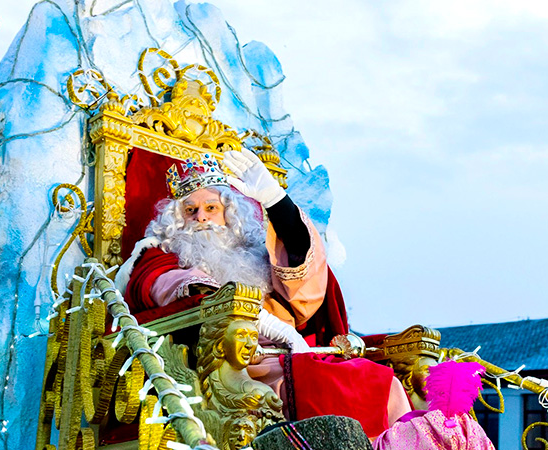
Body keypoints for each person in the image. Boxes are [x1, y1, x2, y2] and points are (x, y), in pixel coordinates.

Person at [115, 150, 410, 438]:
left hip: (296, 356)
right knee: (338, 386)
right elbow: (183, 290)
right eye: (190, 210)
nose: (201, 218)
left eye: (211, 208)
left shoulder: (254, 253)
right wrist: (276, 329)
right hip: (234, 363)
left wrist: (275, 201)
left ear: (230, 215)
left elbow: (304, 272)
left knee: (384, 383)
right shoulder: (161, 254)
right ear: (176, 220)